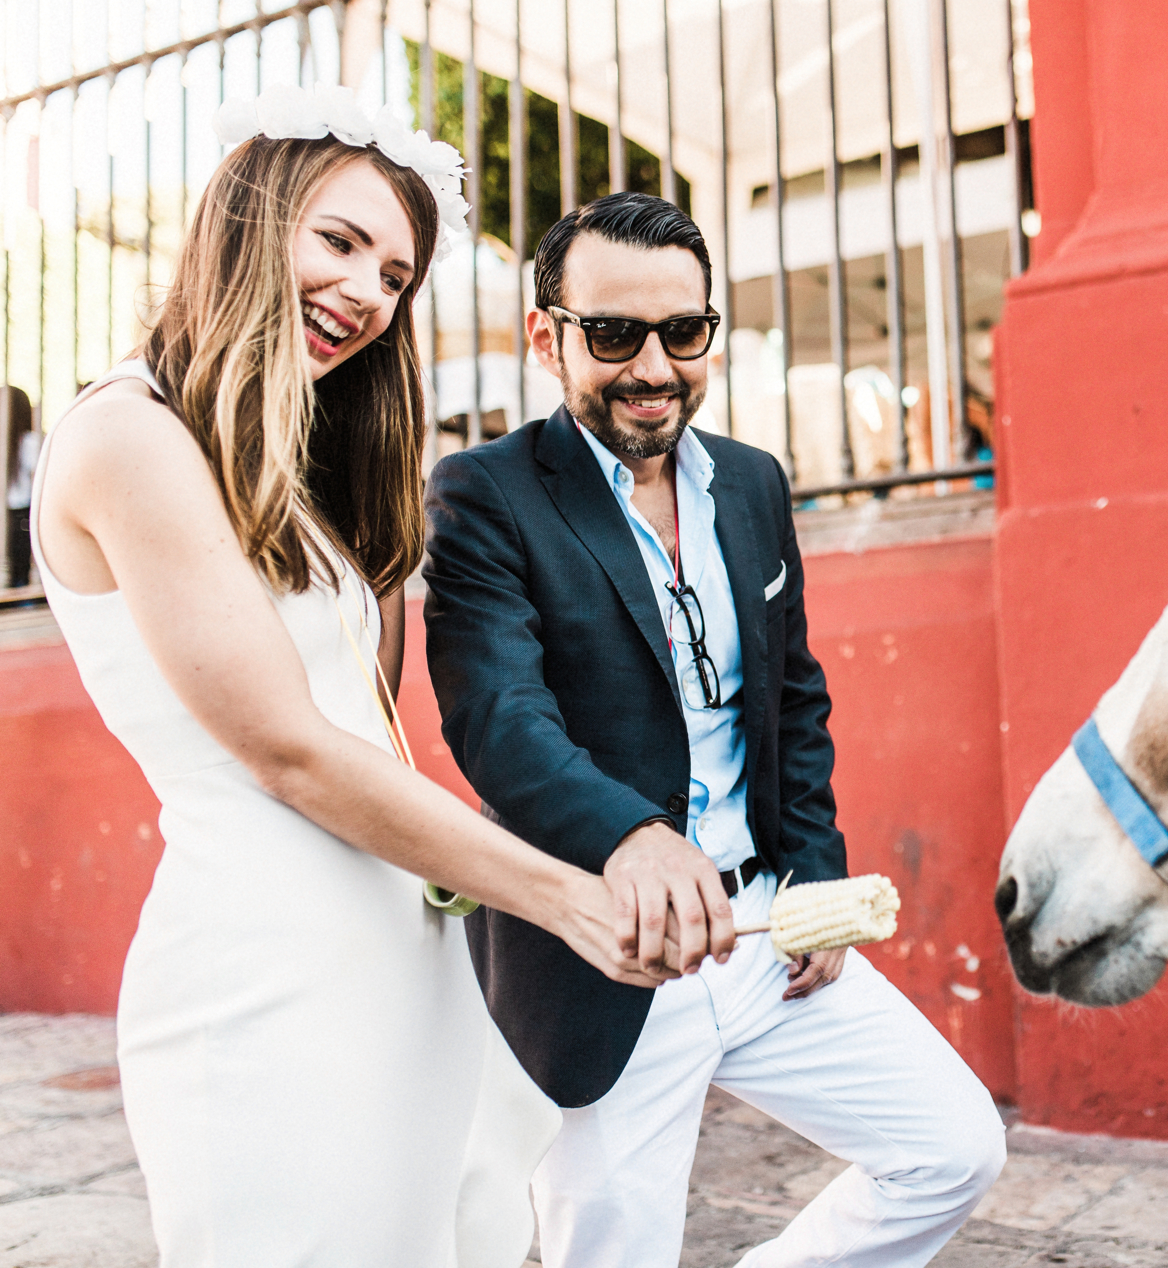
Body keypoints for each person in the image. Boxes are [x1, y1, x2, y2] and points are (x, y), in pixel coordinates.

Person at [27, 87, 656, 1265]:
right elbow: (291, 749)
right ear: (246, 219)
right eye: (342, 240)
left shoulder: (287, 472)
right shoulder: (126, 435)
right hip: (267, 970)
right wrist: (565, 895)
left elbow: (369, 724)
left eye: (398, 275)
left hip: (398, 950)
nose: (371, 291)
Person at [421, 191, 1005, 1268]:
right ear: (547, 338)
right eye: (613, 334)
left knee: (953, 1147)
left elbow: (792, 695)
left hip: (769, 931)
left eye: (681, 332)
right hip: (610, 946)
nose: (653, 366)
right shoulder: (483, 493)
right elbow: (497, 715)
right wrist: (631, 834)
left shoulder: (750, 481)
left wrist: (817, 878)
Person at [5, 385, 37, 588]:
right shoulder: (30, 442)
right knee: (20, 573)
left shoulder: (25, 442)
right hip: (21, 516)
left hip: (11, 515)